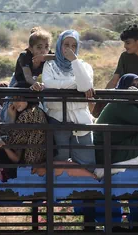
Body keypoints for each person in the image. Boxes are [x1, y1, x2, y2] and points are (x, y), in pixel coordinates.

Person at [41, 29, 95, 166]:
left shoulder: (84, 66)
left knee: (86, 163)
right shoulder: (49, 65)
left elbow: (85, 85)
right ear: (59, 46)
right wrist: (75, 84)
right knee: (60, 161)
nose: (70, 49)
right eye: (66, 45)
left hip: (81, 120)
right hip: (57, 119)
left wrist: (74, 62)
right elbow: (49, 84)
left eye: (74, 45)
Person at [93, 25, 138, 117]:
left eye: (128, 43)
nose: (125, 46)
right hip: (130, 103)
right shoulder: (125, 57)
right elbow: (115, 80)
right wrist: (102, 98)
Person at [94, 74, 138, 164]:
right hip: (109, 152)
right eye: (132, 85)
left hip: (118, 145)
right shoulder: (120, 103)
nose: (136, 89)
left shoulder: (128, 102)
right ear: (124, 87)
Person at [0, 94, 47, 165]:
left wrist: (12, 118)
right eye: (13, 99)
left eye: (19, 99)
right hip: (36, 156)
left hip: (31, 159)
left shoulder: (27, 114)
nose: (16, 103)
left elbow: (13, 141)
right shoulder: (35, 109)